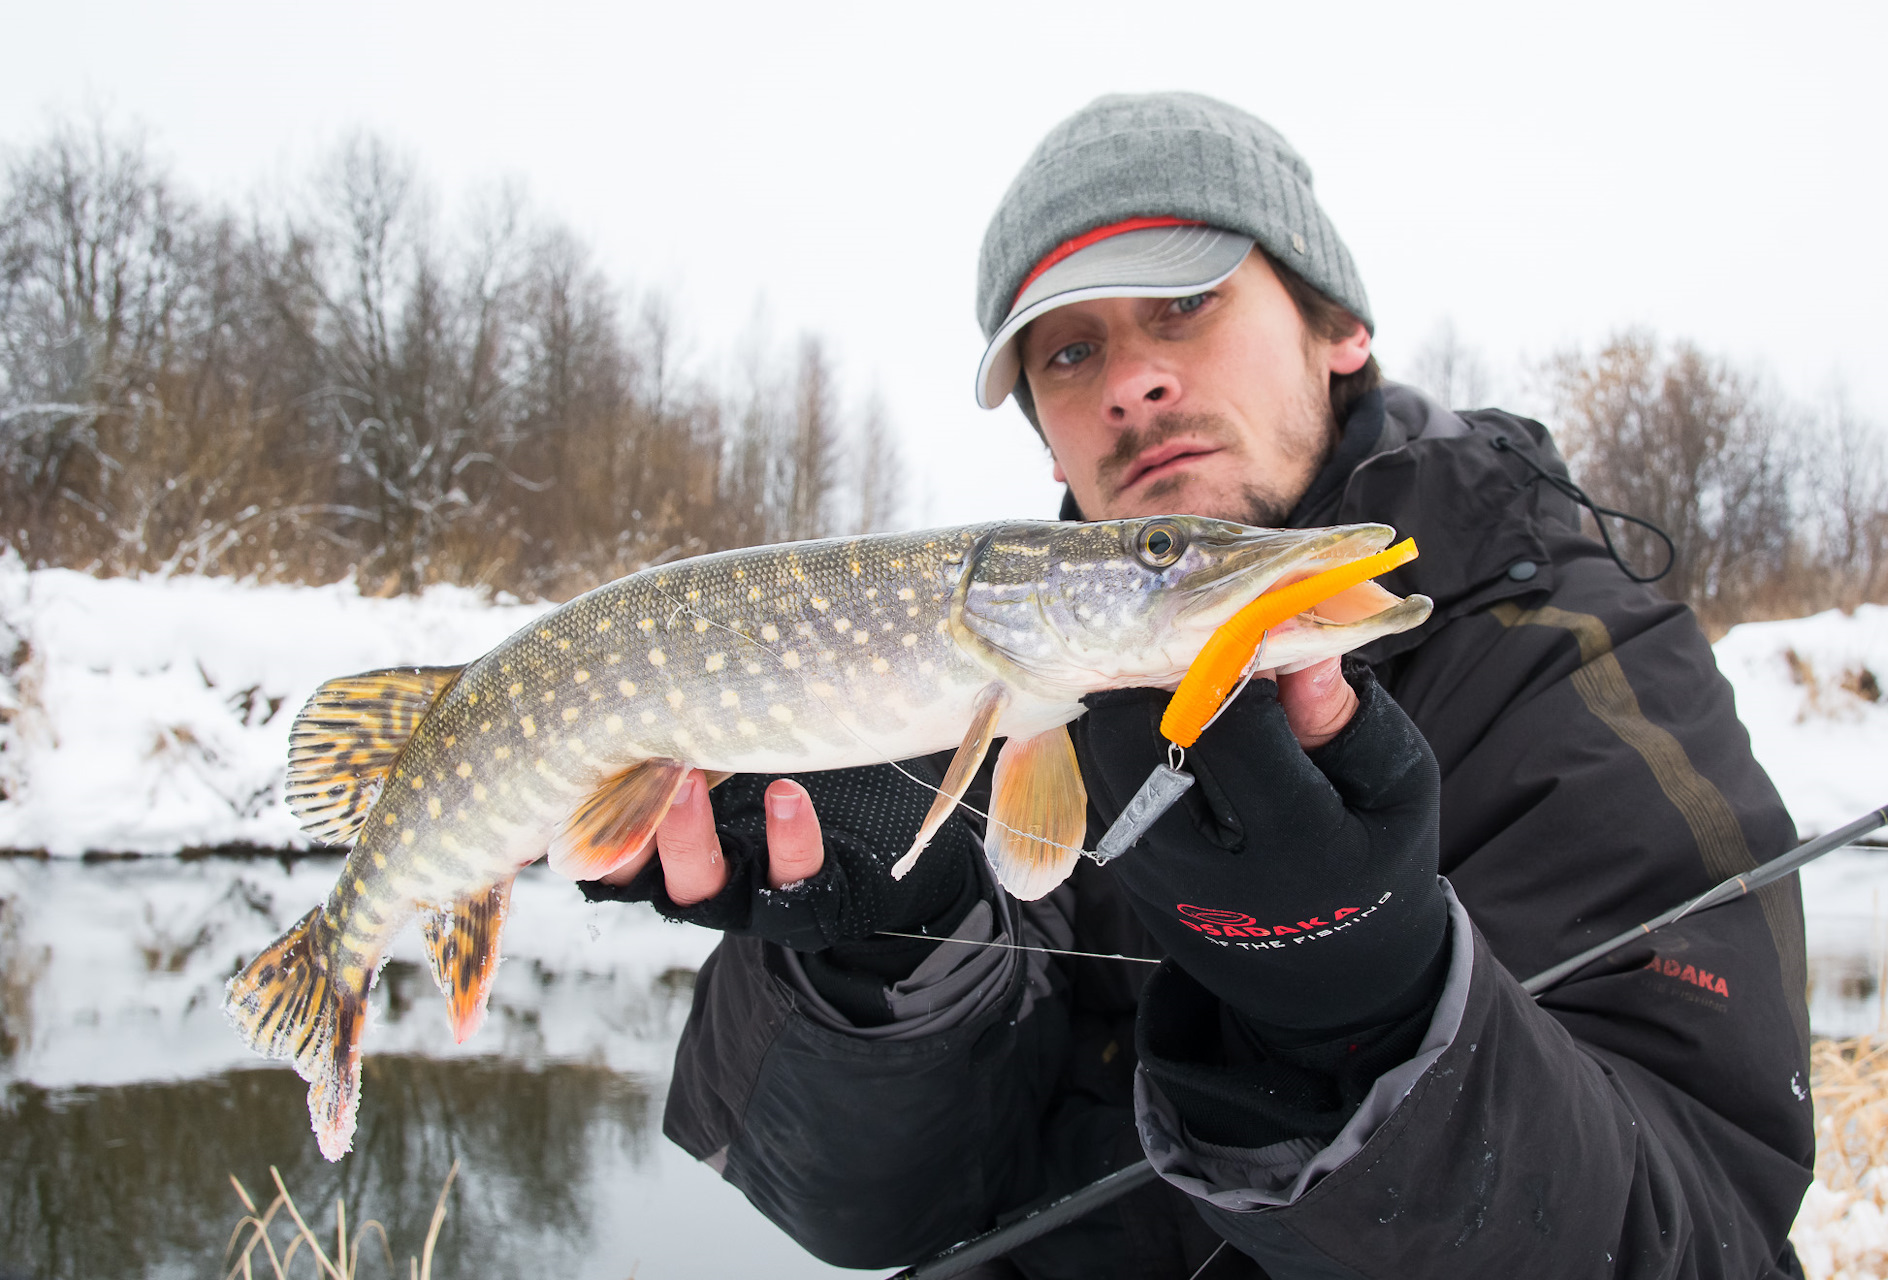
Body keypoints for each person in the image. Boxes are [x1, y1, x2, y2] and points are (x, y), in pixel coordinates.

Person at [581, 92, 1813, 1278]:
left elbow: (1698, 1231)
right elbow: (867, 1211)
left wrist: (1367, 1010)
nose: (1129, 382)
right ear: (1046, 436)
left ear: (1339, 329)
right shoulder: (972, 681)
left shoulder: (1567, 661)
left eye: (1184, 304)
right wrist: (893, 956)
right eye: (1070, 351)